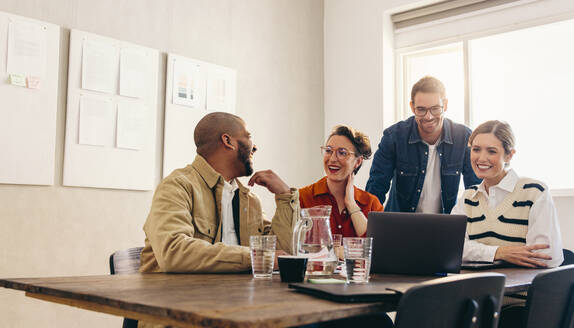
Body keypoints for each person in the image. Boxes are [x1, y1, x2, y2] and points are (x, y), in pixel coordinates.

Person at [140, 112, 299, 274]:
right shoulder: (177, 186)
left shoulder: (250, 200)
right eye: (248, 136)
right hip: (176, 296)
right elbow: (173, 253)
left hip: (236, 295)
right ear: (228, 141)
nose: (255, 147)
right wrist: (255, 257)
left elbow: (282, 255)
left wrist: (285, 196)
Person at [451, 120, 563, 268]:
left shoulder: (535, 192)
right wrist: (499, 252)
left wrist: (477, 252)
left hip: (520, 290)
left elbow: (546, 257)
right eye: (476, 149)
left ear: (509, 155)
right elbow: (451, 248)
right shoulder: (467, 198)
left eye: (491, 151)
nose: (481, 158)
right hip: (475, 289)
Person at [366, 76, 481, 213]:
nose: (429, 117)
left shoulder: (463, 137)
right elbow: (376, 187)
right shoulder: (394, 137)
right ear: (412, 107)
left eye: (435, 109)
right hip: (400, 226)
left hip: (445, 226)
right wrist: (372, 226)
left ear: (445, 105)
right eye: (421, 109)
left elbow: (476, 191)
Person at [299, 125, 383, 237]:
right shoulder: (303, 197)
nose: (332, 159)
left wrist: (351, 205)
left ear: (358, 162)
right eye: (328, 151)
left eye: (342, 153)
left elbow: (376, 247)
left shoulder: (371, 204)